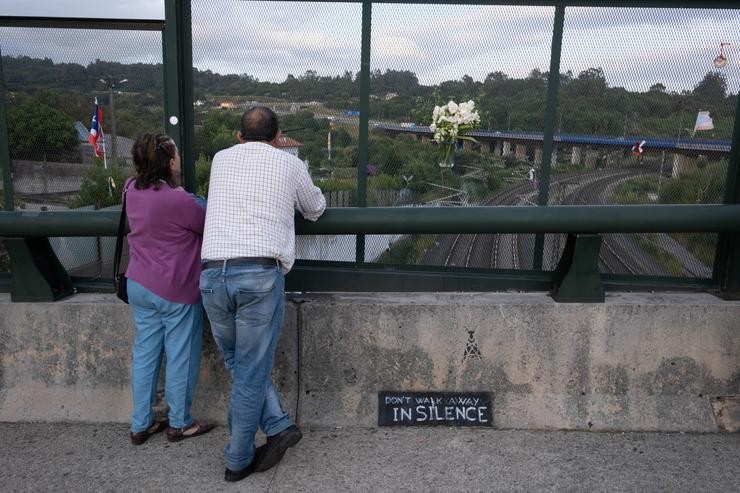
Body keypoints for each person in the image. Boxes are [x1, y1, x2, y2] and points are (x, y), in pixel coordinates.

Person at [200, 107, 326, 482]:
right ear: (278, 137)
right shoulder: (288, 163)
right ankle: (238, 459)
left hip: (211, 274)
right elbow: (316, 208)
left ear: (239, 136)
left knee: (239, 362)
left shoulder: (220, 159)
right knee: (251, 371)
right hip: (257, 274)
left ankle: (279, 424)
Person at [125, 133, 214, 445]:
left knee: (145, 354)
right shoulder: (178, 200)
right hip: (175, 289)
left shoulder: (130, 189)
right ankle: (179, 423)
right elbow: (206, 218)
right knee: (180, 355)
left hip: (138, 283)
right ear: (170, 162)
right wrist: (192, 197)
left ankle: (140, 424)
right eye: (175, 155)